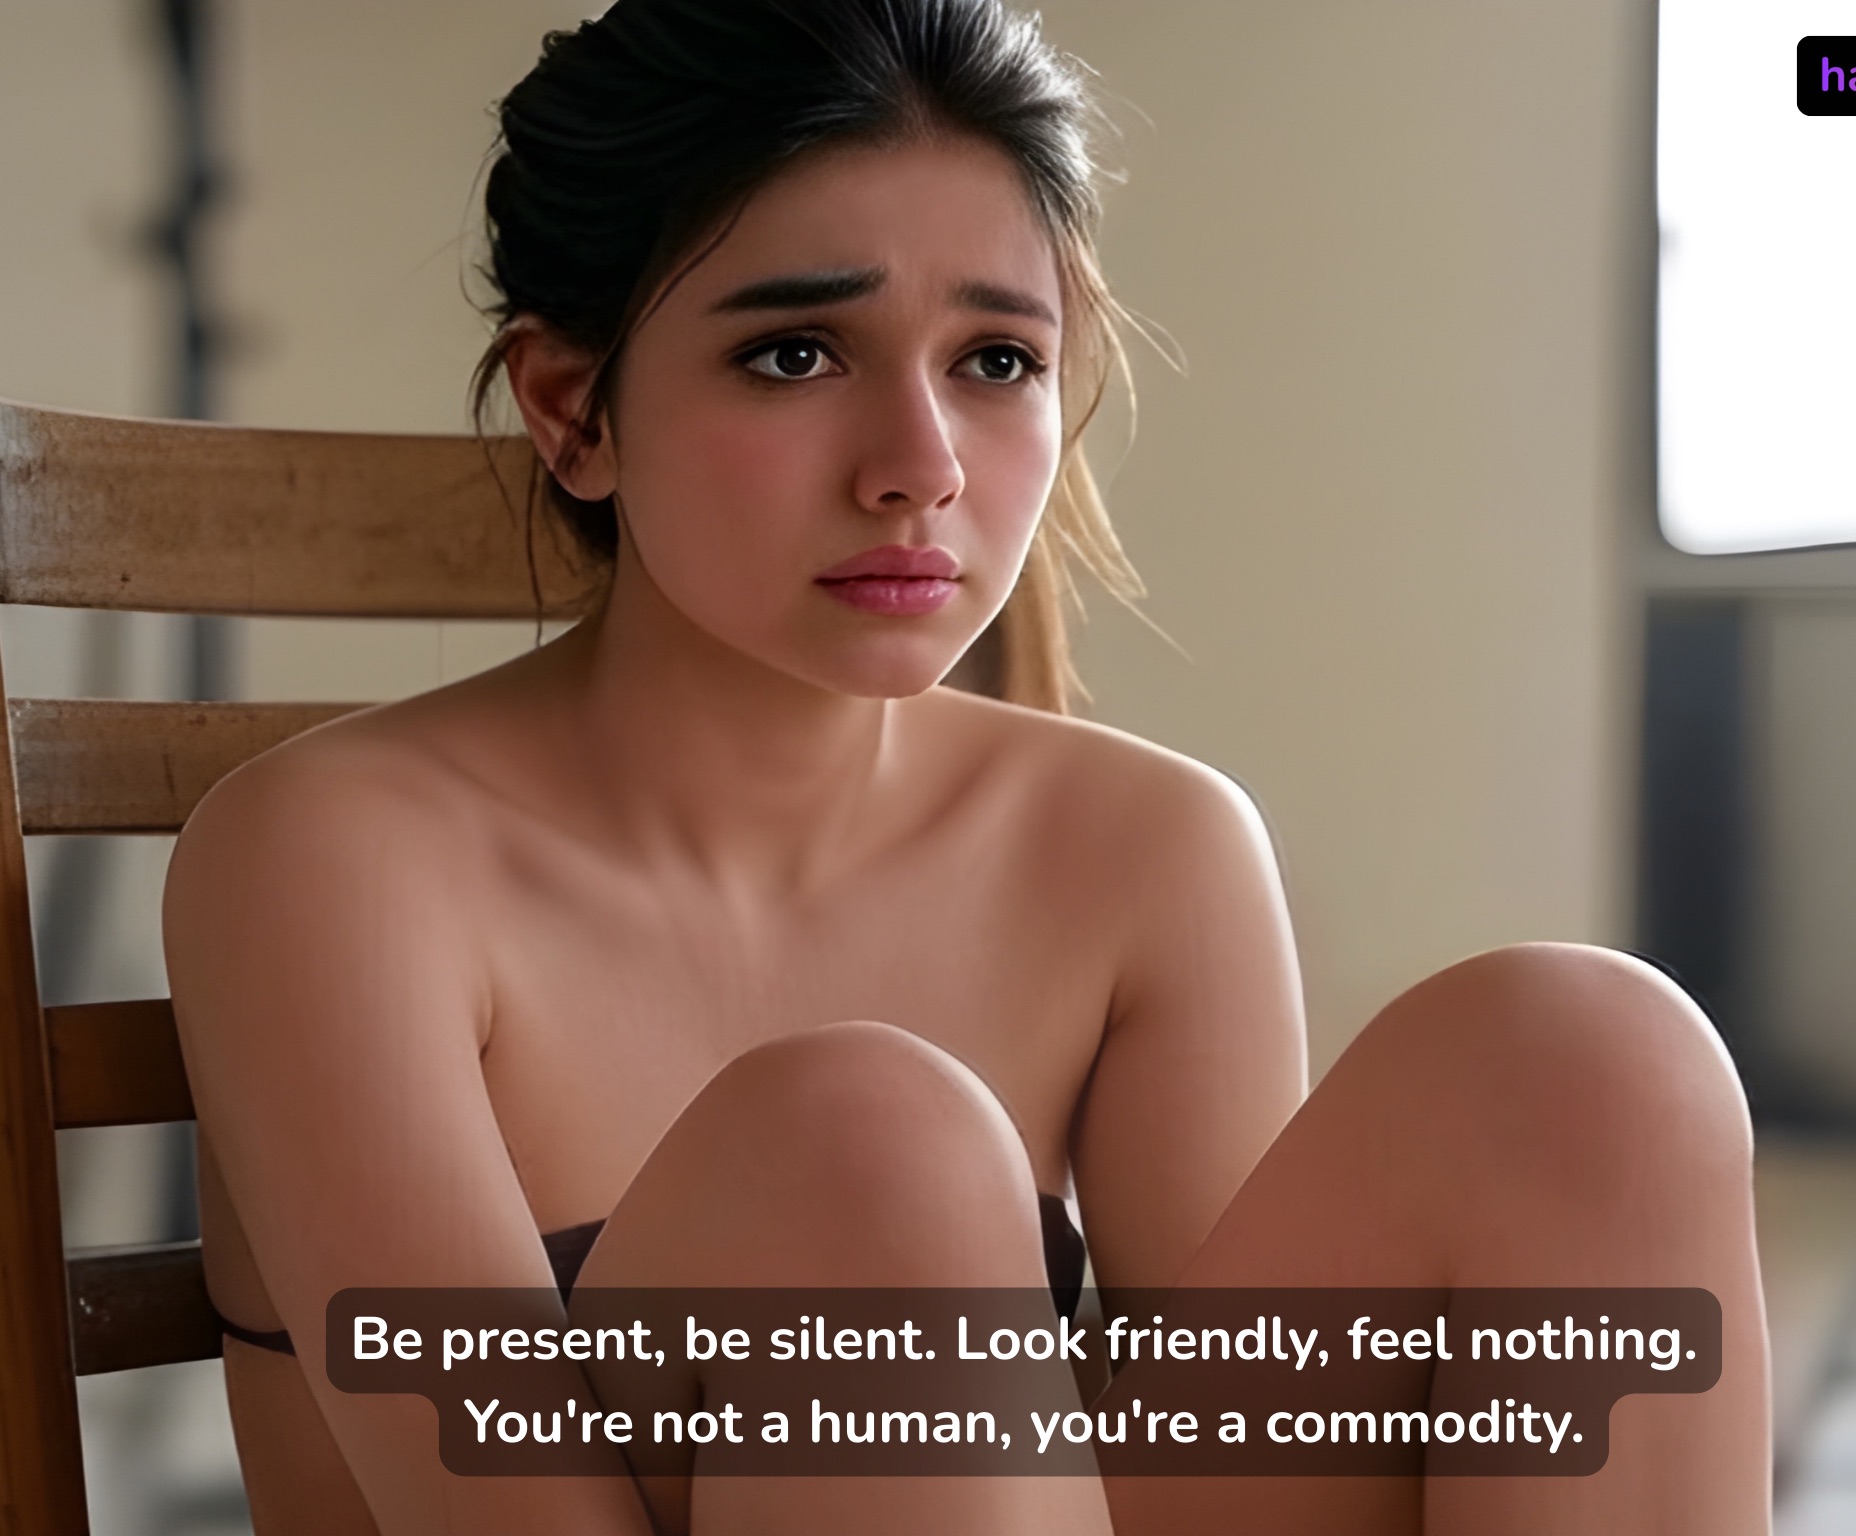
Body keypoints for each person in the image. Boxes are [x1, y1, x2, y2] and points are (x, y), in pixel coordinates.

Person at [162, 1, 1771, 1532]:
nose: (919, 470)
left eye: (995, 361)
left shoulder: (1145, 850)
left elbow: (1240, 1484)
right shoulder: (330, 862)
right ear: (573, 409)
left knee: (1592, 1058)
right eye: (797, 352)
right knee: (864, 1140)